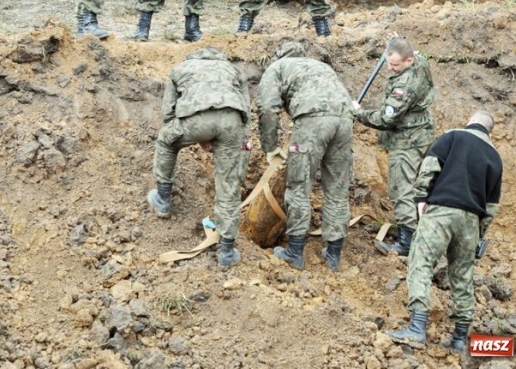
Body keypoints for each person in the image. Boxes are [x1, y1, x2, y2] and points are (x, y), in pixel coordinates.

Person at [386, 111, 503, 350]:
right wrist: (480, 234)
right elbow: (491, 206)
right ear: (490, 132)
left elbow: (429, 166)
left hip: (441, 210)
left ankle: (417, 328)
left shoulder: (453, 136)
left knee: (421, 262)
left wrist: (421, 197)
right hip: (471, 221)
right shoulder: (495, 157)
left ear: (469, 120)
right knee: (462, 277)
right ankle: (459, 338)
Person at [147, 46, 251, 268]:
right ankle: (227, 251)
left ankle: (163, 200)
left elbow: (168, 113)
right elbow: (246, 114)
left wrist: (195, 132)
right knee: (228, 185)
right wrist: (236, 143)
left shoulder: (180, 69)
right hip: (232, 123)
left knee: (166, 142)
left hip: (193, 121)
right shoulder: (233, 70)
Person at [257, 41, 354, 271]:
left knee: (299, 185)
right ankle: (333, 255)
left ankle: (295, 252)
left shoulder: (277, 68)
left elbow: (267, 108)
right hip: (345, 120)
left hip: (313, 121)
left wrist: (270, 147)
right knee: (337, 189)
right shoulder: (320, 67)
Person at [353, 33, 435, 256]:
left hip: (406, 141)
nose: (390, 68)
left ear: (408, 61)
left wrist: (358, 113)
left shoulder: (405, 86)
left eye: (395, 65)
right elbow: (411, 50)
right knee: (421, 185)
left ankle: (407, 244)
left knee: (402, 190)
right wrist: (397, 41)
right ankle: (424, 231)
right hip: (423, 134)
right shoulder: (420, 61)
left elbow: (387, 119)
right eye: (388, 62)